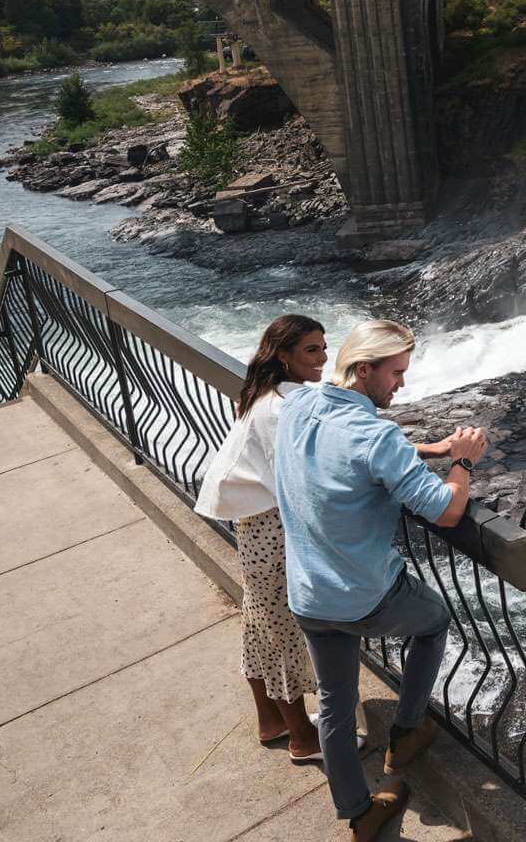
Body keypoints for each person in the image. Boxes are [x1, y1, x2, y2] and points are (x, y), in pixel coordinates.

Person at [273, 320, 489, 841]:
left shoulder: (298, 405)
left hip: (307, 592)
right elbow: (445, 511)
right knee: (434, 621)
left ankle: (358, 813)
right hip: (363, 597)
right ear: (365, 370)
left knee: (334, 704)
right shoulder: (377, 434)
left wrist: (424, 450)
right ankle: (408, 730)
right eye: (396, 374)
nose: (402, 385)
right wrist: (461, 459)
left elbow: (351, 450)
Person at [194, 314, 328, 762]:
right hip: (273, 526)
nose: (323, 357)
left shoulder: (266, 395)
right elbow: (298, 475)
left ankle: (270, 721)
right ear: (283, 355)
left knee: (259, 623)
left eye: (324, 347)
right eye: (312, 349)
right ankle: (303, 739)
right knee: (284, 632)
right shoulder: (285, 407)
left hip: (254, 525)